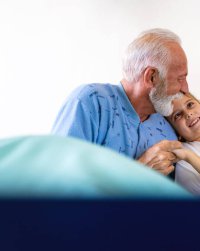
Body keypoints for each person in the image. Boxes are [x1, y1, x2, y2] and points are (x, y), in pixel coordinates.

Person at [52, 28, 189, 175]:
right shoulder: (90, 102)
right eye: (180, 79)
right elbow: (57, 181)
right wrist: (137, 173)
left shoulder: (168, 127)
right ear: (151, 77)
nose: (186, 89)